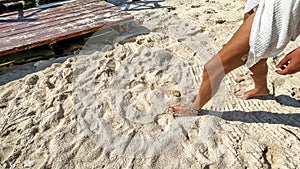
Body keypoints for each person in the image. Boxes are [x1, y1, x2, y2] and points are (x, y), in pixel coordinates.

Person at [170, 0, 300, 116]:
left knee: (213, 67)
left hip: (281, 8)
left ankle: (194, 108)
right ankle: (261, 89)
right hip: (263, 4)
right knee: (256, 56)